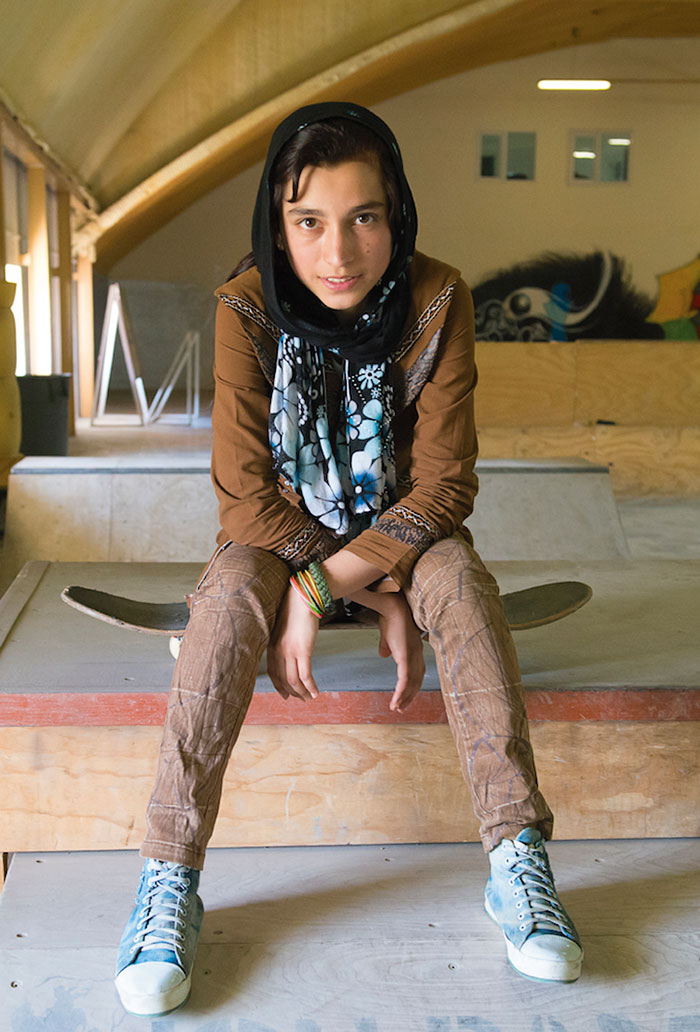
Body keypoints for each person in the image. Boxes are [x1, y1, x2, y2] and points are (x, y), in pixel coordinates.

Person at [114, 101, 583, 1017]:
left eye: (364, 217)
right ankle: (167, 881)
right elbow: (244, 497)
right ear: (276, 224)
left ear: (396, 214)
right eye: (308, 222)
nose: (338, 253)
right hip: (275, 538)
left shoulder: (439, 299)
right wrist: (354, 588)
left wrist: (334, 584)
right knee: (230, 592)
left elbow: (444, 486)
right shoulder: (246, 306)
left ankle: (517, 861)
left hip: (408, 537)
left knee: (459, 580)